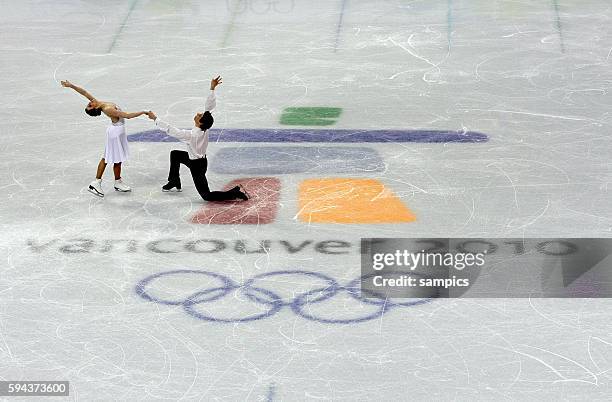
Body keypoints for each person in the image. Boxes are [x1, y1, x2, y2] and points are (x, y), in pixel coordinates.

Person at [146, 76, 248, 202]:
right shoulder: (205, 127)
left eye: (199, 116)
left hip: (197, 167)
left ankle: (235, 193)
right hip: (198, 160)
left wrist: (155, 119)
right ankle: (174, 181)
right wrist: (212, 88)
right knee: (175, 155)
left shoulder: (192, 136)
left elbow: (171, 130)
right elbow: (209, 108)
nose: (198, 113)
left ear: (200, 123)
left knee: (206, 196)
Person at [61, 80, 149, 197]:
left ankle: (117, 182)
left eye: (88, 104)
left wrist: (71, 85)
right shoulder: (108, 109)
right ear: (95, 108)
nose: (89, 103)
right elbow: (127, 116)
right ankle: (96, 183)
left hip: (118, 132)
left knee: (118, 158)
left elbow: (84, 92)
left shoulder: (98, 103)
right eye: (89, 105)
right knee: (107, 158)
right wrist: (143, 112)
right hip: (115, 134)